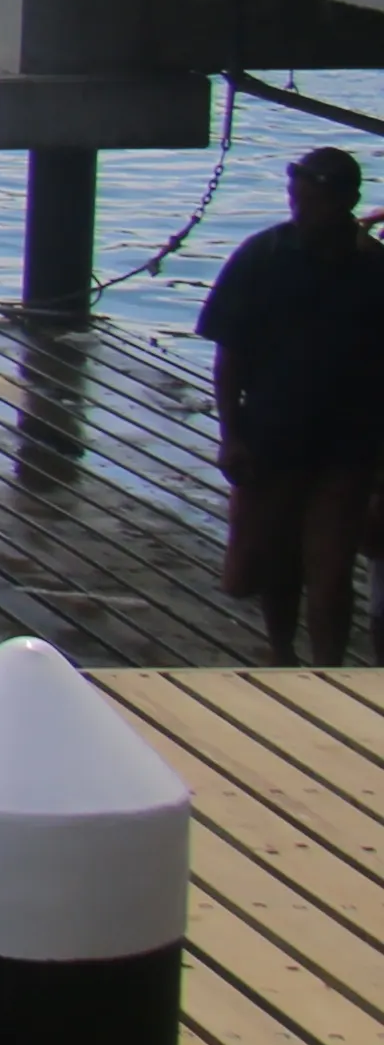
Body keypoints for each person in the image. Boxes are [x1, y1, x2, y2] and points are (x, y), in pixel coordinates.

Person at [201, 146, 384, 665]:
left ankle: (327, 666)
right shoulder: (262, 256)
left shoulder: (375, 270)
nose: (304, 212)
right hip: (273, 438)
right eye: (297, 200)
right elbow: (229, 357)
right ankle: (281, 655)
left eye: (316, 202)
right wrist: (231, 435)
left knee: (331, 569)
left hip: (349, 444)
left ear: (347, 201)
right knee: (275, 564)